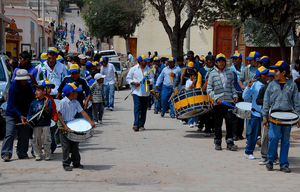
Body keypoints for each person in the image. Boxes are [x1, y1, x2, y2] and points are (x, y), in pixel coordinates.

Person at [262, 61, 300, 173]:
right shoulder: (271, 85)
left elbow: (296, 103)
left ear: (284, 72)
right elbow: (266, 101)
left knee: (285, 141)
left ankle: (284, 164)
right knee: (273, 138)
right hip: (274, 117)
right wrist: (265, 117)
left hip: (288, 118)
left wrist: (298, 117)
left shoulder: (292, 85)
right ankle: (270, 160)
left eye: (277, 71)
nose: (274, 73)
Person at [57, 83, 95, 171]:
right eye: (76, 92)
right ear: (71, 93)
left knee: (75, 145)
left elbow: (83, 112)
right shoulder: (62, 102)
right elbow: (59, 115)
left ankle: (76, 162)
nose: (77, 94)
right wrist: (65, 126)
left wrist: (90, 121)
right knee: (66, 146)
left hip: (73, 125)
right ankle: (66, 163)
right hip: (64, 126)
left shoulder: (76, 102)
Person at [1, 69, 35, 161]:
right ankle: (6, 152)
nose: (24, 81)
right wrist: (20, 115)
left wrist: (30, 113)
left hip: (24, 113)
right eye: (22, 80)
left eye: (25, 79)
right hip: (12, 114)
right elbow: (12, 104)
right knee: (10, 133)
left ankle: (22, 152)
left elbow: (31, 100)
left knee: (24, 133)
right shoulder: (13, 88)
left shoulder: (28, 86)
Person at [207, 53, 238, 151]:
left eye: (223, 61)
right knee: (218, 123)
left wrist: (235, 95)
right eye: (219, 61)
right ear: (216, 62)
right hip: (218, 103)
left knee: (229, 122)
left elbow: (232, 86)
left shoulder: (230, 72)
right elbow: (209, 89)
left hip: (228, 101)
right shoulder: (212, 74)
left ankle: (230, 142)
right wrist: (215, 98)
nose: (221, 63)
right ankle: (218, 142)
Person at [243, 66, 269, 160]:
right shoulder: (254, 85)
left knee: (266, 135)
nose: (266, 76)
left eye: (267, 74)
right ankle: (248, 151)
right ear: (258, 76)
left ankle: (268, 154)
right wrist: (248, 87)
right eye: (264, 74)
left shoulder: (269, 85)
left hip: (266, 114)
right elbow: (245, 96)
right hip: (256, 113)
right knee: (253, 133)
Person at [126, 55, 154, 131]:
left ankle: (142, 124)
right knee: (137, 107)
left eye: (146, 61)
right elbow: (128, 79)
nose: (146, 62)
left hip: (145, 92)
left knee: (144, 108)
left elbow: (152, 80)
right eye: (144, 61)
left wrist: (147, 81)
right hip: (136, 92)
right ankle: (136, 124)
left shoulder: (149, 69)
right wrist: (134, 83)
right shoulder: (133, 69)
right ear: (140, 61)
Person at [256, 69, 276, 165]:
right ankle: (264, 156)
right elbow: (258, 100)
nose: (271, 78)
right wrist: (266, 101)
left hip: (276, 116)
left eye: (273, 76)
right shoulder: (264, 88)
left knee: (274, 137)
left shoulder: (280, 88)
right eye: (270, 76)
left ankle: (274, 156)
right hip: (265, 116)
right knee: (265, 136)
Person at [238, 51, 260, 140]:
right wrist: (243, 87)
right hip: (248, 96)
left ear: (257, 60)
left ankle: (257, 135)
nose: (249, 62)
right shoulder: (246, 69)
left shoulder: (261, 69)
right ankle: (249, 135)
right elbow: (240, 79)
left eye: (251, 60)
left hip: (258, 96)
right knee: (248, 115)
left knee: (258, 115)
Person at [27, 85, 53, 161]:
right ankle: (38, 154)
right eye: (36, 90)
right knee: (36, 140)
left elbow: (50, 113)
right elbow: (30, 113)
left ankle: (48, 154)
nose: (36, 92)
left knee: (46, 139)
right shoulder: (33, 103)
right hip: (36, 124)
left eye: (38, 90)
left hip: (45, 124)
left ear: (44, 92)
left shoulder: (48, 101)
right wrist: (28, 119)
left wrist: (47, 107)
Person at [198, 54, 215, 135]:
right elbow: (199, 83)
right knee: (206, 112)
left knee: (214, 112)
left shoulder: (216, 70)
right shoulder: (201, 71)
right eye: (209, 60)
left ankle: (213, 126)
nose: (211, 62)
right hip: (204, 94)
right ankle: (207, 129)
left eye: (212, 60)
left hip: (214, 93)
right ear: (206, 61)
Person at [230, 52, 246, 141]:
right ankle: (234, 134)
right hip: (235, 95)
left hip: (243, 94)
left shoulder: (245, 69)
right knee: (235, 115)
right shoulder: (230, 70)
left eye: (236, 59)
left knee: (242, 115)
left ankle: (240, 133)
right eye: (233, 59)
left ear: (240, 60)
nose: (234, 60)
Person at [43, 80, 58, 154]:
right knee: (38, 137)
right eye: (47, 88)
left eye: (50, 88)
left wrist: (55, 119)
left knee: (51, 136)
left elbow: (54, 110)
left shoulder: (51, 99)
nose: (49, 90)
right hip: (40, 121)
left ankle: (52, 148)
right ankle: (35, 150)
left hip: (50, 121)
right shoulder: (38, 98)